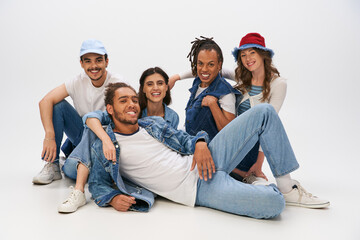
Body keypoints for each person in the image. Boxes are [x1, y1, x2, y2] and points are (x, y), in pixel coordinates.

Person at [72, 82, 329, 219]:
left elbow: (185, 138)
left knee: (264, 111)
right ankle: (255, 188)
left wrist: (201, 143)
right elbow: (99, 185)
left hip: (205, 158)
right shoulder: (103, 144)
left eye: (133, 99)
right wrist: (112, 198)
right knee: (273, 205)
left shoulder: (153, 123)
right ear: (109, 109)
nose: (132, 104)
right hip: (199, 188)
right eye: (123, 100)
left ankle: (287, 186)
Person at [57, 67, 179, 213]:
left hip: (124, 170)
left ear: (166, 87)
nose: (155, 88)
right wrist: (107, 141)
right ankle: (78, 190)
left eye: (160, 83)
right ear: (143, 89)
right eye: (150, 84)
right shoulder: (130, 110)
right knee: (95, 129)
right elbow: (90, 117)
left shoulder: (171, 117)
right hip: (82, 164)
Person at [169, 33, 286, 183]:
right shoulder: (243, 77)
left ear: (263, 54)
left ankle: (246, 174)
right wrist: (176, 77)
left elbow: (268, 126)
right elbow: (205, 70)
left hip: (250, 144)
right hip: (234, 137)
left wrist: (258, 164)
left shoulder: (277, 84)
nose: (248, 58)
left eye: (252, 53)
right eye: (243, 55)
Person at [33, 38, 125, 207]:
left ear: (107, 61)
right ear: (81, 63)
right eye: (88, 61)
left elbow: (125, 118)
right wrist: (50, 136)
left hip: (106, 139)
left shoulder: (117, 83)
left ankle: (81, 180)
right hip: (83, 135)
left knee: (72, 167)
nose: (94, 66)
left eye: (98, 60)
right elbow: (44, 101)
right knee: (57, 105)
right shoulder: (77, 81)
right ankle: (53, 165)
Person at [183, 36, 241, 141]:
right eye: (200, 63)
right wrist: (176, 78)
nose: (204, 69)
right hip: (190, 146)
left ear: (219, 65)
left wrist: (213, 105)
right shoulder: (197, 82)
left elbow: (229, 133)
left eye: (210, 64)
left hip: (209, 153)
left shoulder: (225, 92)